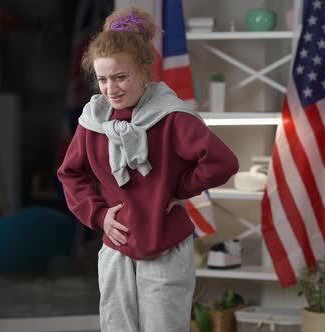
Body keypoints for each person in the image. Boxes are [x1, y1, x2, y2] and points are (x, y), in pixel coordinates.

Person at [57, 6, 239, 331]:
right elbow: (71, 174)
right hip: (116, 251)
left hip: (165, 248)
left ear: (143, 70)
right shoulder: (93, 121)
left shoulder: (171, 117)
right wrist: (98, 215)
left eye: (121, 77)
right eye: (102, 79)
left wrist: (179, 188)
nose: (110, 89)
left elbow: (222, 162)